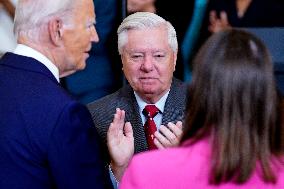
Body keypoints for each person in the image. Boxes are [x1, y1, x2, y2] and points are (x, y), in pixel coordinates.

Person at [119, 29, 284, 188]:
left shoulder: (144, 171)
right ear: (269, 99)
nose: (147, 66)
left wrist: (178, 161)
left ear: (198, 92)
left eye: (159, 55)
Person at [0, 0, 112, 188]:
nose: (95, 37)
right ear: (56, 29)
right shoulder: (65, 113)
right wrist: (118, 168)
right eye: (89, 25)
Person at [87, 12, 188, 182]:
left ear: (175, 59)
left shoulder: (206, 108)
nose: (147, 66)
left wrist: (186, 163)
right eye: (136, 56)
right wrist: (118, 169)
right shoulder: (96, 117)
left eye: (158, 56)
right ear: (122, 61)